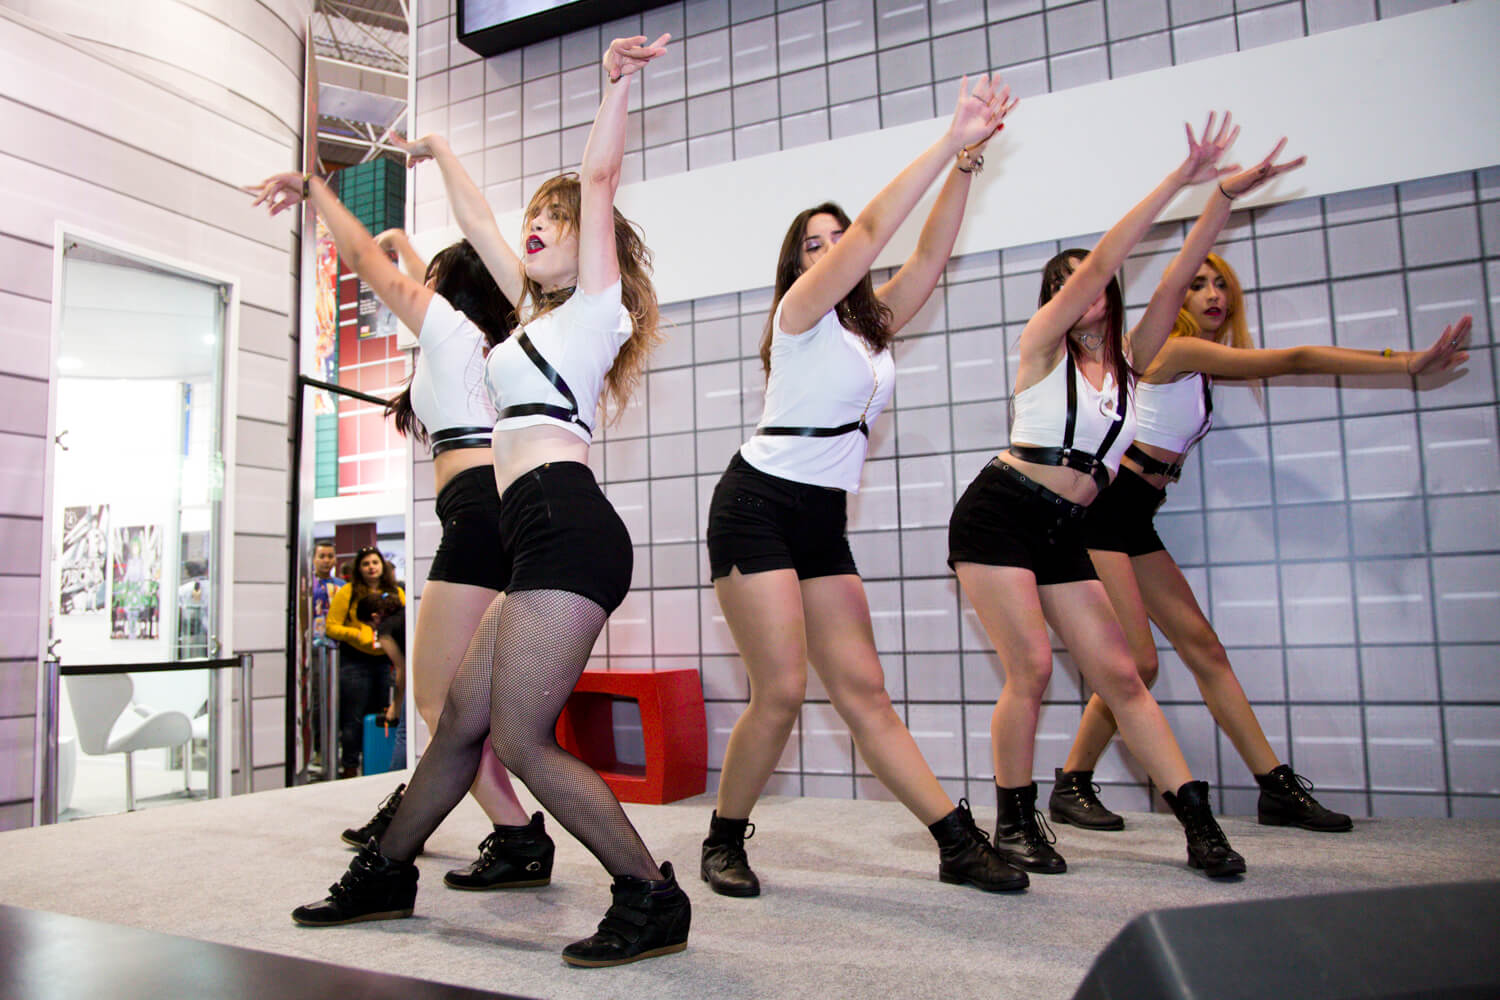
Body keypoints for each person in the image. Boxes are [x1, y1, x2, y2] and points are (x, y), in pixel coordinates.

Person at [262, 34, 690, 968]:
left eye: (556, 220)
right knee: (460, 717)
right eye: (535, 213)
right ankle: (386, 869)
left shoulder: (596, 311)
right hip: (532, 533)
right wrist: (406, 164)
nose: (536, 226)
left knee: (523, 739)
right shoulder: (531, 318)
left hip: (569, 528)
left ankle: (649, 893)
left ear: (595, 245)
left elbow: (600, 175)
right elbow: (478, 222)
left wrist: (615, 86)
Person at [948, 115, 1305, 880]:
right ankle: (1015, 822)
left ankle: (1199, 826)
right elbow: (1112, 255)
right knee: (1032, 669)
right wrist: (1177, 180)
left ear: (1109, 297)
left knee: (1123, 674)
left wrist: (1219, 199)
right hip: (1000, 513)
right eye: (1064, 284)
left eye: (1089, 282)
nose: (1081, 291)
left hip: (1065, 525)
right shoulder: (1040, 348)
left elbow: (1175, 275)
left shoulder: (1133, 362)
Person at [700, 74, 1028, 899]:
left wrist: (967, 166)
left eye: (836, 236)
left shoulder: (869, 329)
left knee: (865, 692)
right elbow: (881, 230)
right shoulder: (800, 314)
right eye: (815, 243)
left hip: (819, 519)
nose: (832, 248)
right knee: (781, 691)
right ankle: (723, 838)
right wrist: (948, 138)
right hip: (756, 505)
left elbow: (929, 257)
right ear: (798, 265)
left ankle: (955, 842)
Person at [1051, 247, 1473, 833]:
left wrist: (1409, 363)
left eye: (1221, 284)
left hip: (1135, 518)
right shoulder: (1174, 349)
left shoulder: (1198, 363)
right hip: (1103, 515)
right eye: (1198, 284)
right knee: (1140, 664)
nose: (1213, 295)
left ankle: (1275, 788)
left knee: (1205, 651)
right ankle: (1073, 782)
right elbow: (1296, 359)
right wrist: (1406, 364)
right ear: (1177, 296)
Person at [328, 231, 555, 893]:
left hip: (478, 514)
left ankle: (517, 835)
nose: (419, 291)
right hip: (496, 510)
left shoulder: (453, 339)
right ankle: (415, 811)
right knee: (463, 698)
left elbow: (392, 280)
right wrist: (409, 244)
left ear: (449, 293)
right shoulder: (492, 349)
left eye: (432, 281)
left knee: (435, 698)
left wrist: (381, 243)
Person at [324, 546, 405, 777]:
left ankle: (377, 763)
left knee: (384, 715)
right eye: (366, 564)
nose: (371, 567)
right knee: (354, 718)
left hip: (385, 662)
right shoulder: (347, 591)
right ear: (359, 568)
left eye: (375, 562)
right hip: (355, 661)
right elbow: (331, 627)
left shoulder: (396, 591)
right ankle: (350, 767)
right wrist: (357, 633)